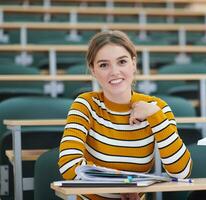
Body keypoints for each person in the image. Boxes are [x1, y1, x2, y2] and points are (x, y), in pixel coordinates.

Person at [58, 30, 192, 200]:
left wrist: (155, 117)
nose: (114, 72)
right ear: (93, 70)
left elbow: (182, 172)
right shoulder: (85, 104)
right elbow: (69, 166)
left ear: (133, 64)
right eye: (104, 65)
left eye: (122, 62)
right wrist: (122, 186)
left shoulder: (157, 108)